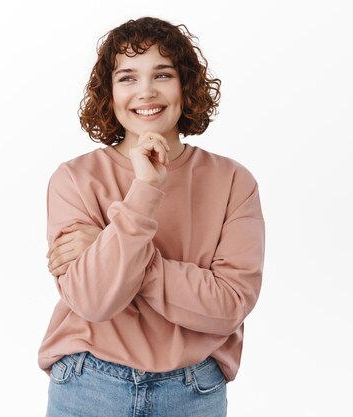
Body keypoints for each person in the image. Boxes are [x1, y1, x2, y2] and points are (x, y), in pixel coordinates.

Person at [38, 16, 265, 417]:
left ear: (185, 85)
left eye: (162, 74)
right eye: (127, 78)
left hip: (193, 390)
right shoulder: (74, 179)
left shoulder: (233, 181)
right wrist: (145, 189)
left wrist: (111, 250)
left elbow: (229, 305)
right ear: (109, 93)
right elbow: (93, 300)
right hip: (88, 384)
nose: (146, 91)